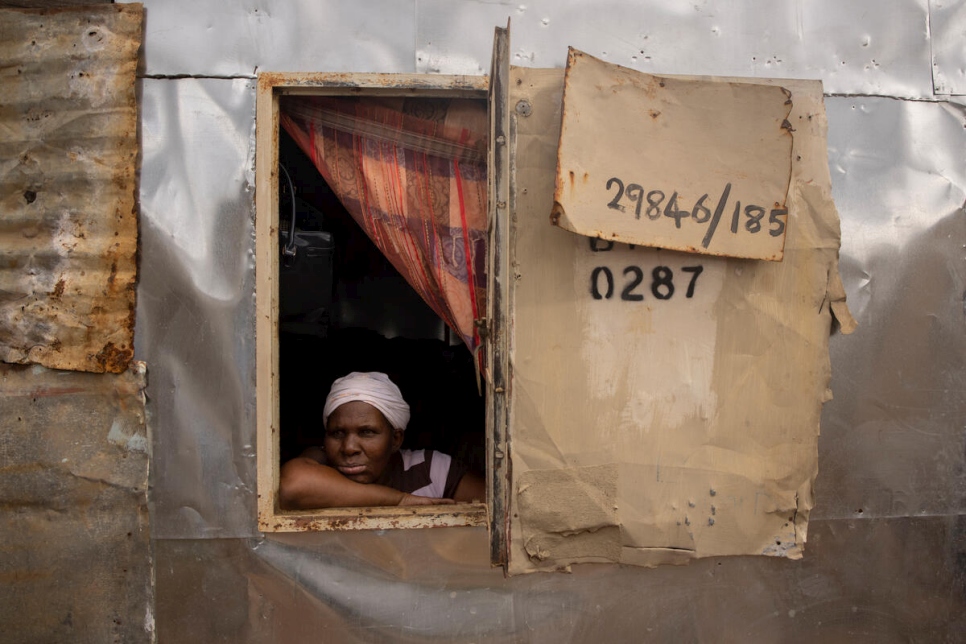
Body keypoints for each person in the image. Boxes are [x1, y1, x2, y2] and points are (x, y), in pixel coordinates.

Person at [279, 371, 485, 509]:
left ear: (396, 439)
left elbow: (502, 512)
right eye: (337, 433)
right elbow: (293, 485)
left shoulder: (430, 471)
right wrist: (399, 500)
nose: (349, 448)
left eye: (367, 432)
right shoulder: (321, 460)